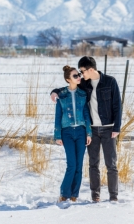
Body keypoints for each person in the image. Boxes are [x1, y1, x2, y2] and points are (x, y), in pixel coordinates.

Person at [51, 56, 122, 202]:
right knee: (93, 164)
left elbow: (117, 105)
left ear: (90, 69)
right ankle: (95, 195)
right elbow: (68, 87)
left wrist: (117, 126)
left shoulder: (110, 81)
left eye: (82, 72)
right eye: (79, 73)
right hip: (92, 130)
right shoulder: (85, 84)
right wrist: (54, 91)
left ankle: (113, 196)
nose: (81, 75)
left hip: (108, 128)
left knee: (111, 164)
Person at [54, 65, 92, 203]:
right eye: (75, 76)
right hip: (67, 132)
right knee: (72, 165)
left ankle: (74, 195)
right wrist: (57, 135)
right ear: (68, 79)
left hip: (81, 132)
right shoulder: (62, 95)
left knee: (79, 165)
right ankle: (64, 193)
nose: (79, 77)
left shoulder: (82, 94)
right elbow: (58, 117)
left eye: (79, 75)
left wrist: (89, 133)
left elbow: (86, 114)